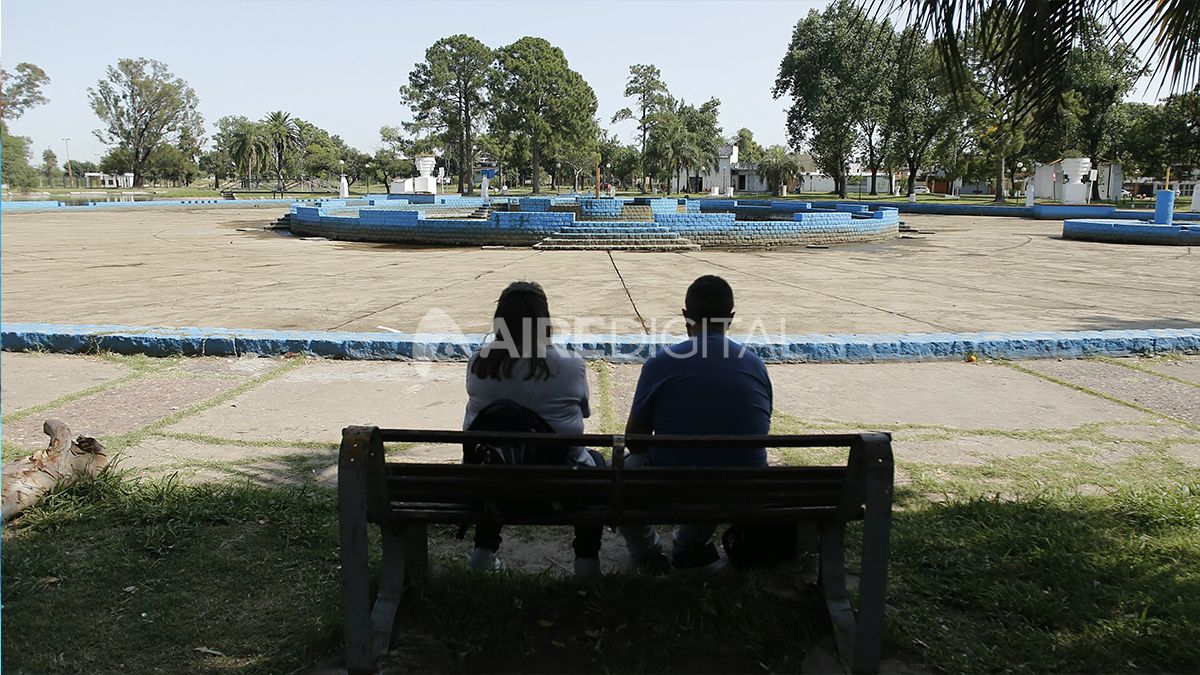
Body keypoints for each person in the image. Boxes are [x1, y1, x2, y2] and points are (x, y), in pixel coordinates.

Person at [619, 275, 773, 572]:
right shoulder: (754, 364)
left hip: (672, 483)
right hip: (742, 486)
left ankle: (648, 554)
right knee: (723, 462)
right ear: (731, 319)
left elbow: (635, 442)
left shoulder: (660, 363)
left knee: (625, 470)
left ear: (686, 317)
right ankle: (688, 543)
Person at [463, 280, 603, 577]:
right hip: (558, 489)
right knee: (596, 465)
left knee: (501, 457)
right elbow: (584, 414)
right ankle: (586, 562)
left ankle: (483, 553)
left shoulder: (479, 363)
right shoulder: (570, 364)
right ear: (545, 321)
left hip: (493, 490)